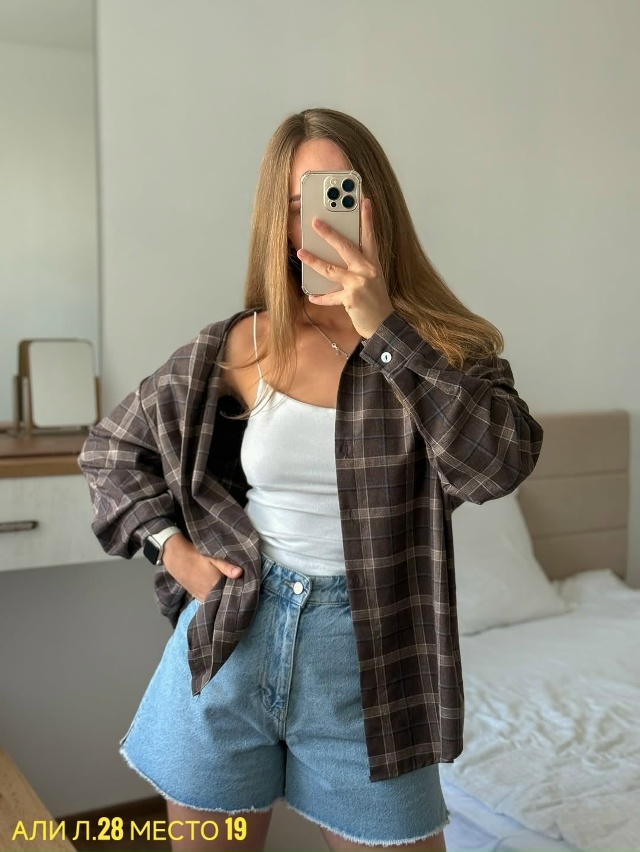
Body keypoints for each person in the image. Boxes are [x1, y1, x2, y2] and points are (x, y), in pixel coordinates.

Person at [78, 107, 543, 852]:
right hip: (234, 642)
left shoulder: (449, 348)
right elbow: (111, 449)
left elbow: (497, 466)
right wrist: (174, 551)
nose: (321, 223)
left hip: (370, 663)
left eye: (338, 196)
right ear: (279, 221)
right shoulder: (245, 342)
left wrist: (385, 330)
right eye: (299, 205)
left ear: (376, 204)